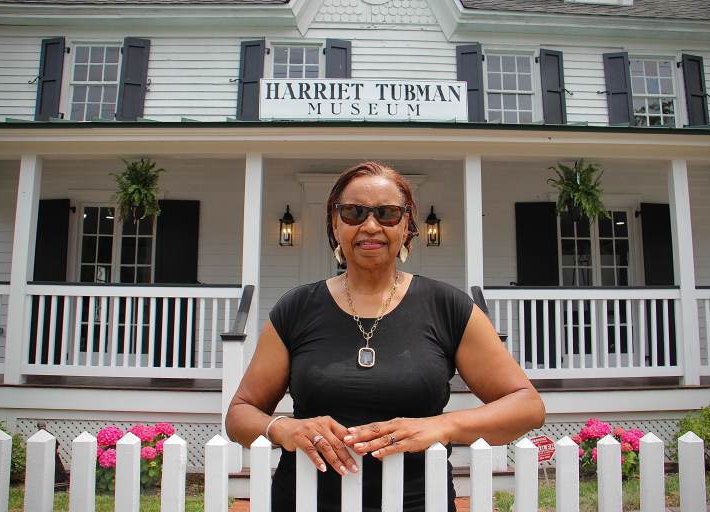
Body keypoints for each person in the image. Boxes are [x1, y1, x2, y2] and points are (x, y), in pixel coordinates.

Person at [225, 161, 545, 512]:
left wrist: (442, 425)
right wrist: (283, 428)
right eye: (353, 212)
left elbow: (526, 406)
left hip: (420, 503)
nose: (370, 226)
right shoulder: (297, 308)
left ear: (407, 224)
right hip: (304, 501)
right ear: (335, 223)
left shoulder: (447, 306)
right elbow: (240, 414)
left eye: (388, 213)